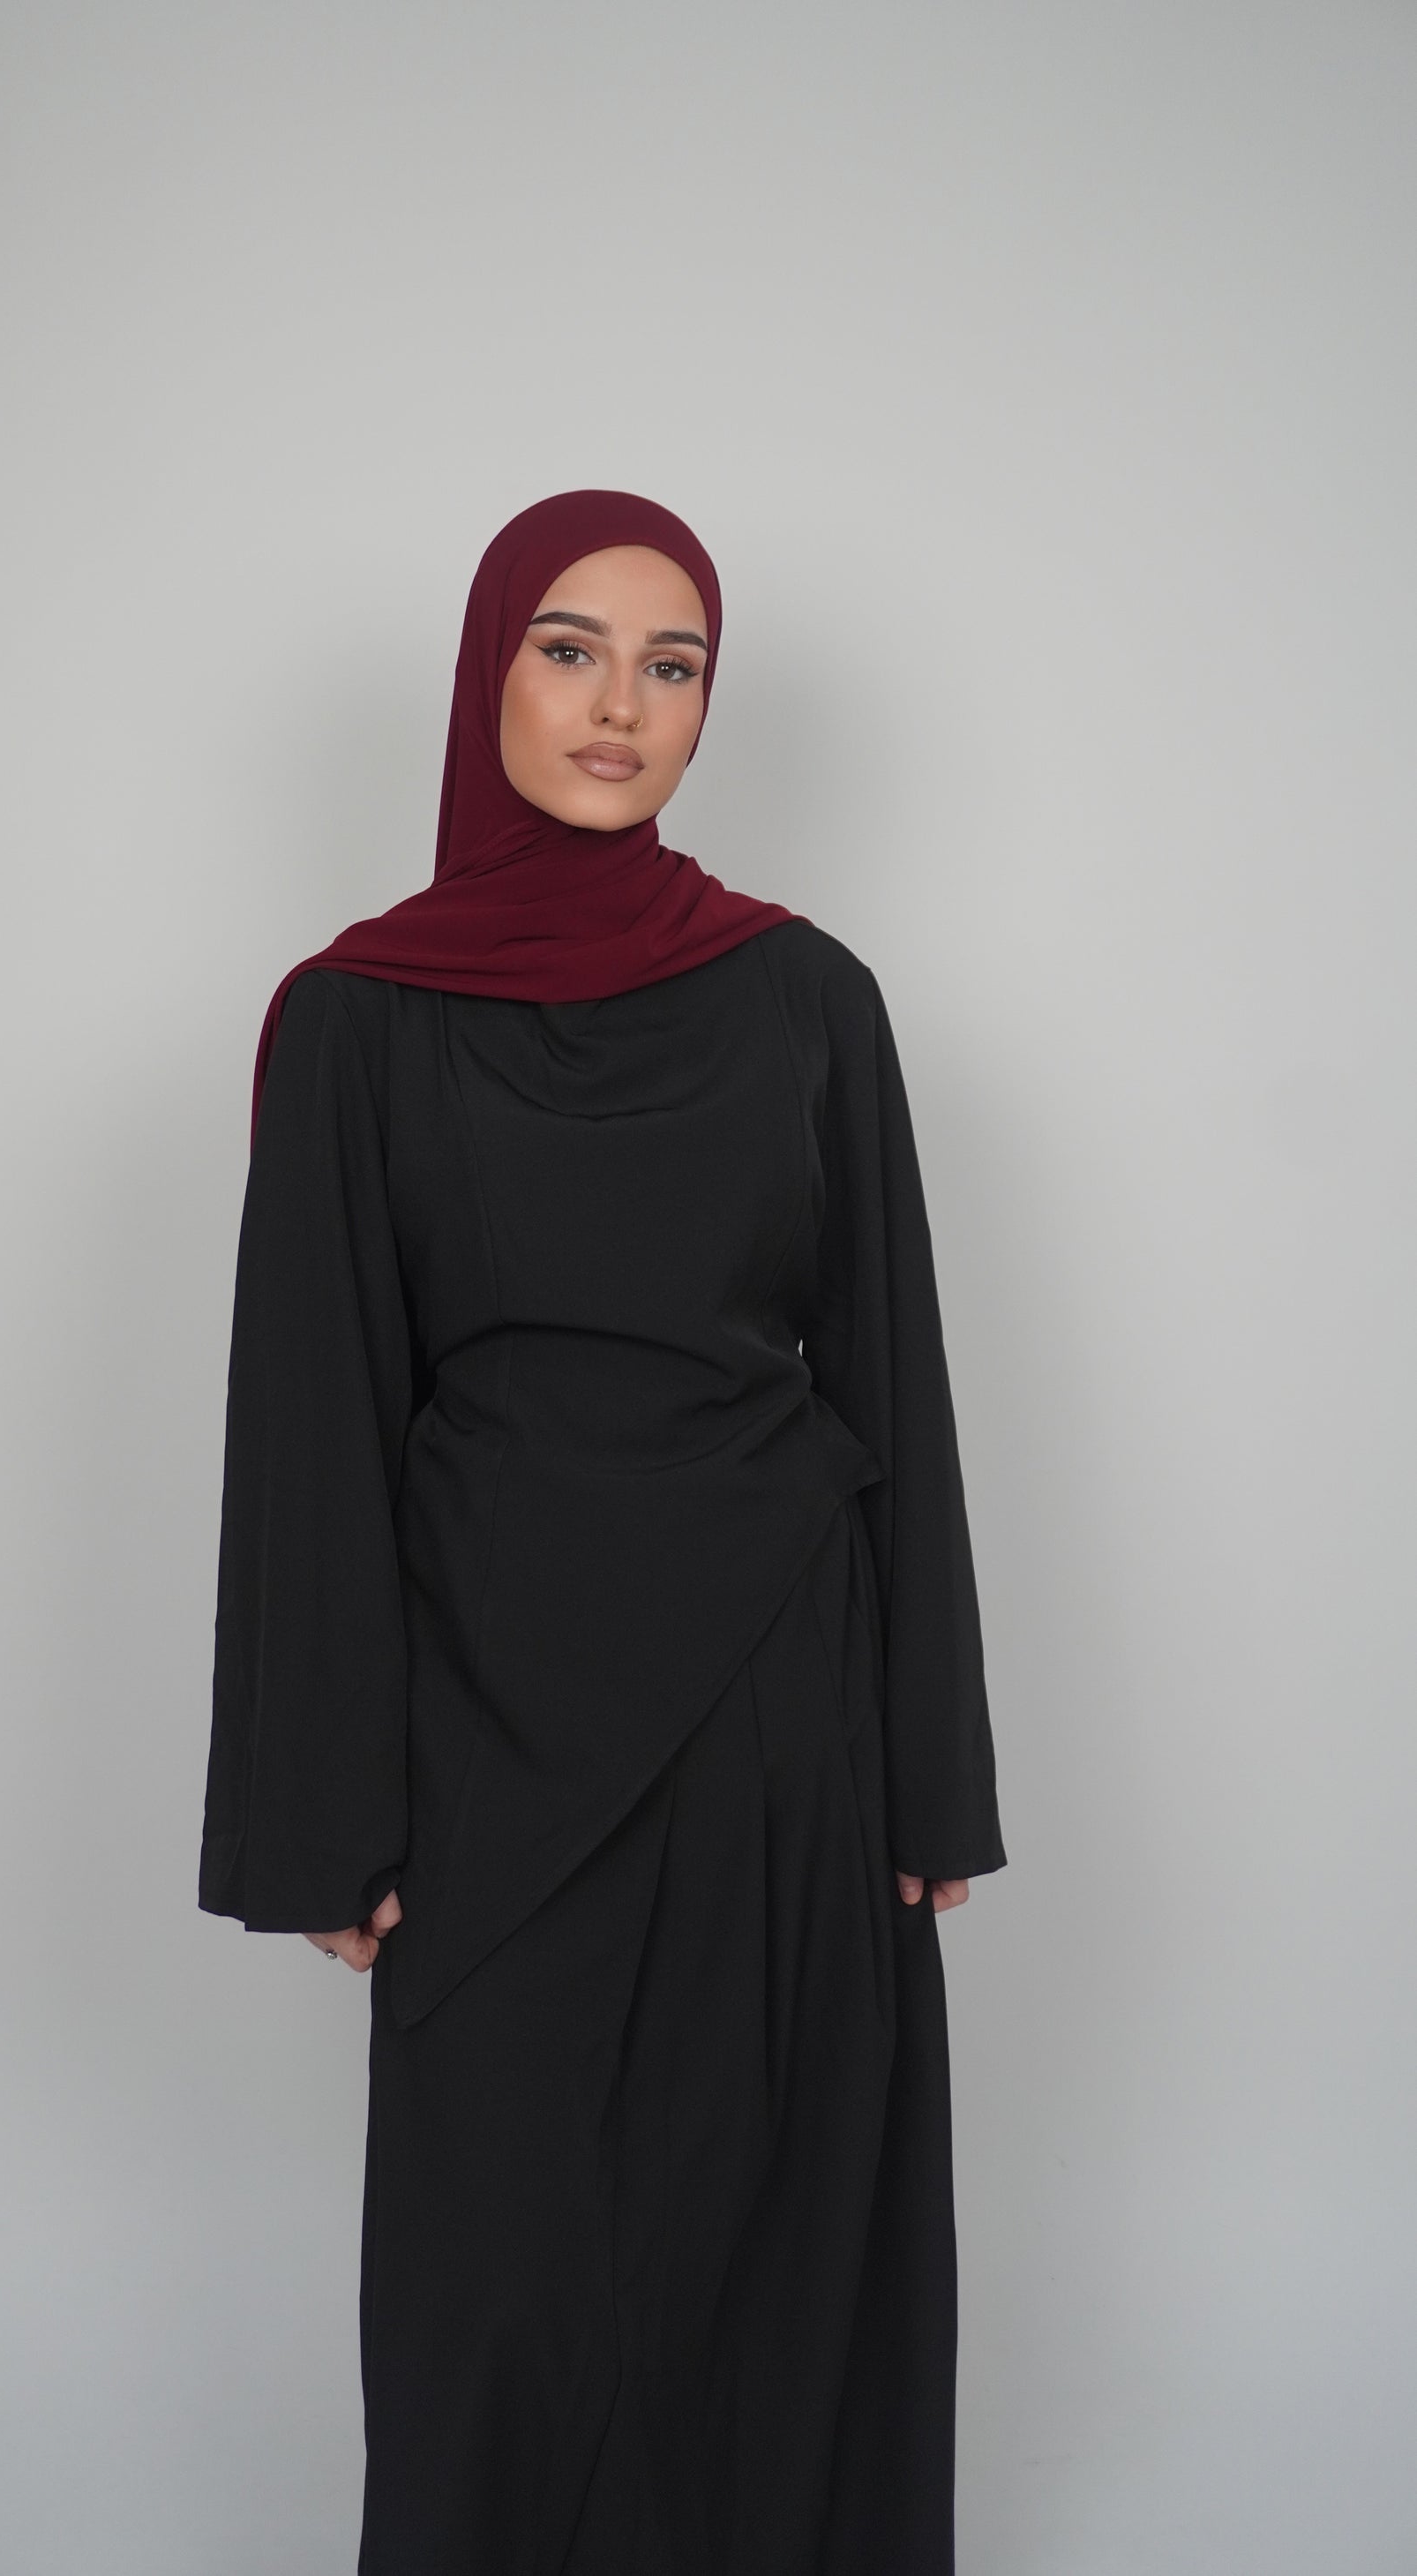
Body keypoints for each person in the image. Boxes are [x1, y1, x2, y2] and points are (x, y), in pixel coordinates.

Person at [199, 489, 1008, 2575]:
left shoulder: (806, 995)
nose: (618, 705)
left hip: (778, 1721)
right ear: (489, 673)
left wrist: (928, 1772)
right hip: (493, 1734)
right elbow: (315, 1421)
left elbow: (891, 1380)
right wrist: (318, 1817)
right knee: (501, 2295)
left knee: (771, 2271)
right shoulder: (358, 1014)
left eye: (671, 664)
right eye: (568, 649)